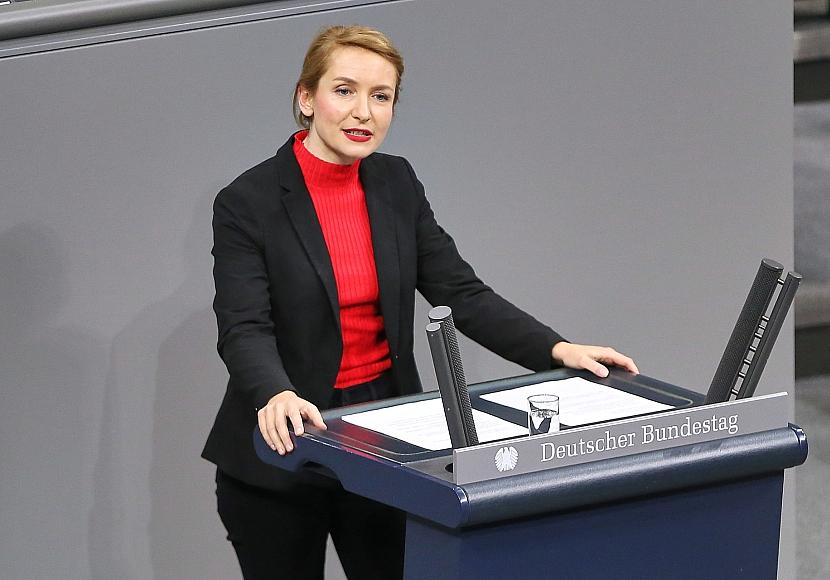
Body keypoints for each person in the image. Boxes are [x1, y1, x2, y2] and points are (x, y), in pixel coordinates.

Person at [202, 25, 639, 580]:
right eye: (344, 90)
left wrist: (558, 349)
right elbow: (244, 326)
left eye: (381, 96)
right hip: (284, 444)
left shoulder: (396, 181)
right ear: (306, 98)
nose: (363, 112)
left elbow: (461, 292)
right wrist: (275, 392)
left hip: (384, 437)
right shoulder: (247, 201)